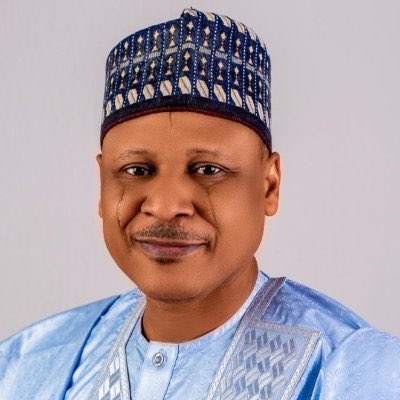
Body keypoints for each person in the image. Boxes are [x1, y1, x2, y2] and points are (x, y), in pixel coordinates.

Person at [1, 6, 399, 400]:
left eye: (208, 170)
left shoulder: (350, 372)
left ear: (268, 185)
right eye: (137, 170)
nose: (165, 205)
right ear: (103, 185)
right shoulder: (31, 363)